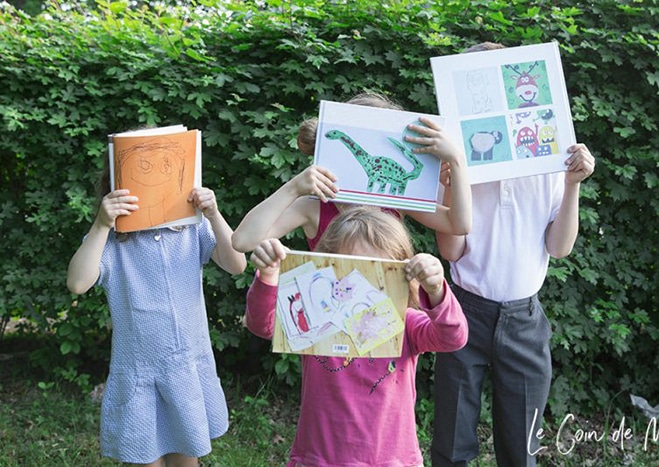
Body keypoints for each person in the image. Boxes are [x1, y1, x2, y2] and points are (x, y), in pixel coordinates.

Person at [430, 42, 596, 467]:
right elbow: (451, 250)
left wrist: (573, 182)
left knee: (521, 450)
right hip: (463, 310)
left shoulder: (547, 158)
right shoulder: (454, 167)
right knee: (451, 444)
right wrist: (451, 183)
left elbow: (559, 249)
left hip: (523, 319)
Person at [245, 206, 469, 466]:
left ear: (399, 276)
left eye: (377, 273)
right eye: (349, 270)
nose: (360, 285)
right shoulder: (318, 320)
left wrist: (436, 290)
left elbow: (453, 337)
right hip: (319, 459)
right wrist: (269, 275)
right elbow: (263, 325)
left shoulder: (403, 322)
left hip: (391, 460)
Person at [66, 161, 247, 466]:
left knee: (186, 459)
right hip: (139, 375)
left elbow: (237, 264)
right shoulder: (111, 241)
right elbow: (77, 283)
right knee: (144, 457)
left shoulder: (192, 226)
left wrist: (214, 214)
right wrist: (100, 224)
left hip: (186, 366)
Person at [230, 91, 472, 253]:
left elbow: (458, 225)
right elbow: (242, 241)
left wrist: (457, 161)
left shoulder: (395, 199)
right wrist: (293, 187)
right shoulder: (314, 206)